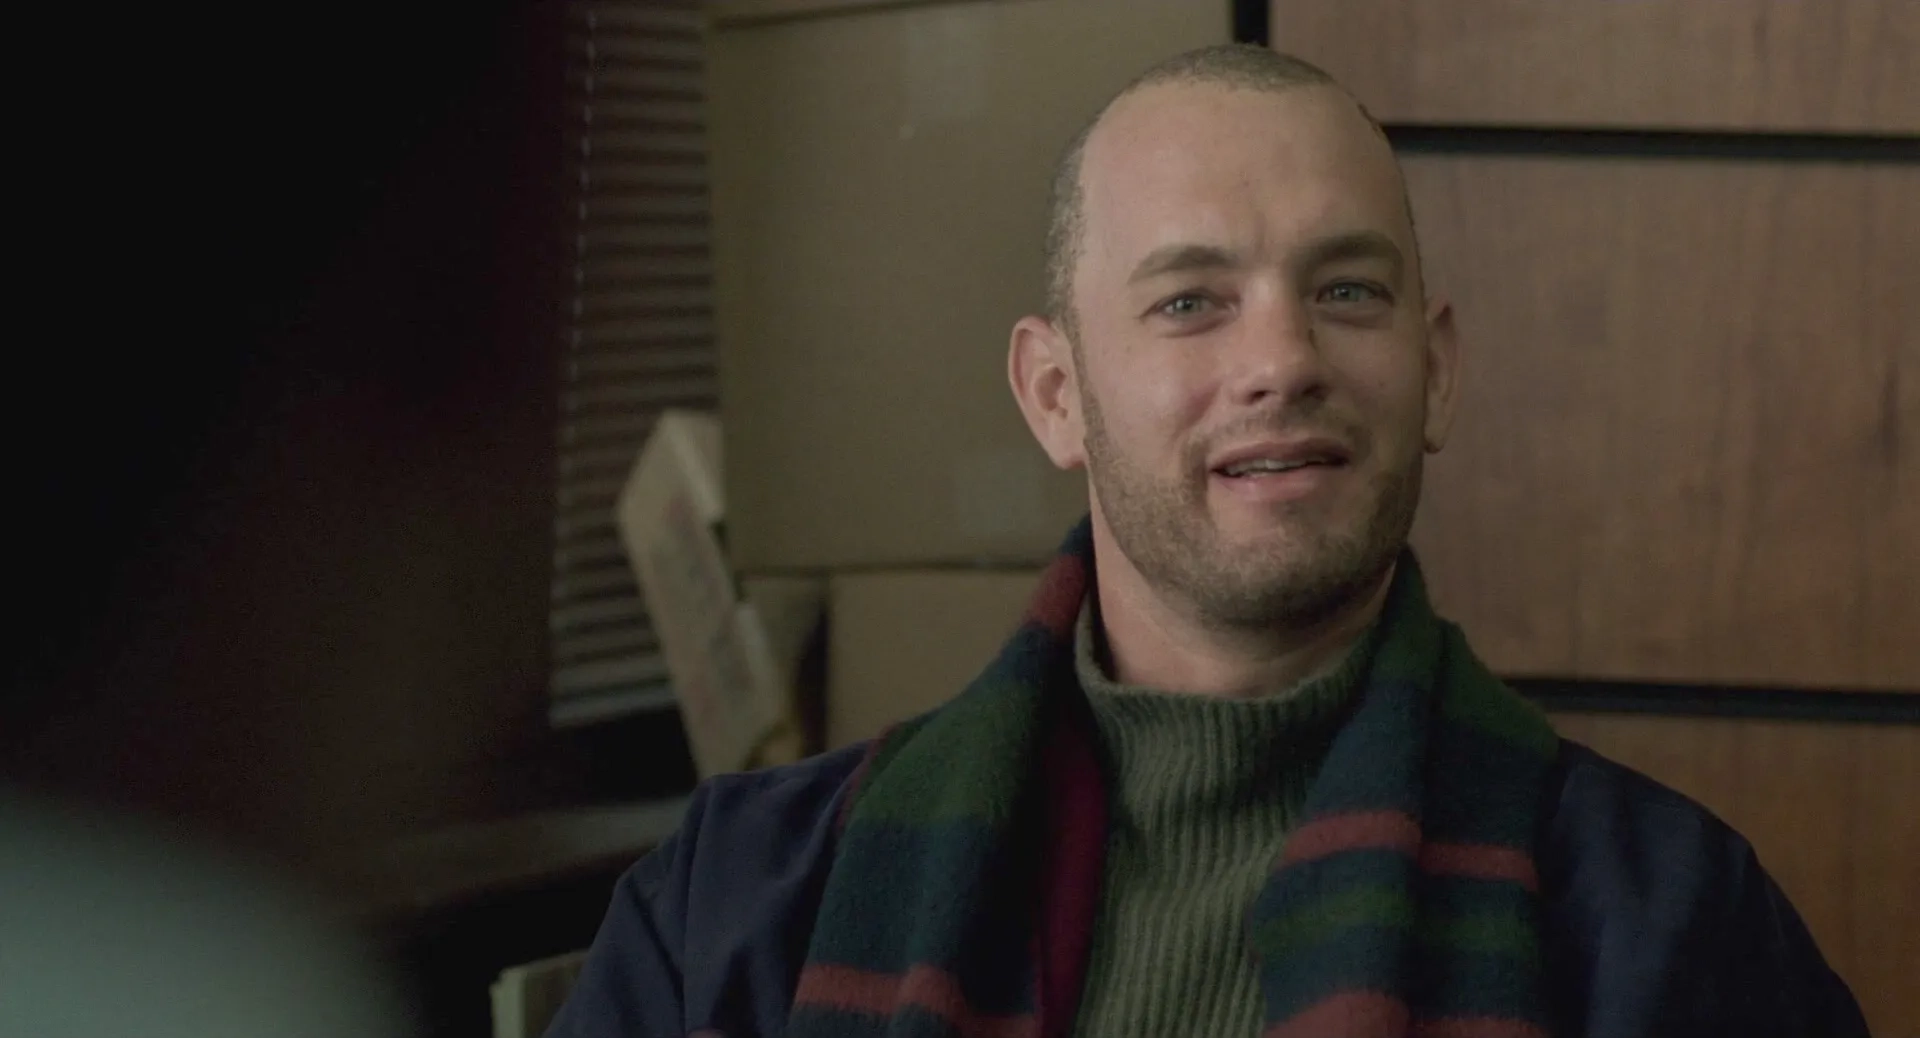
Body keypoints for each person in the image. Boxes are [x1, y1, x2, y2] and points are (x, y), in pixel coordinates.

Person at [545, 45, 1868, 1038]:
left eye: (1346, 288)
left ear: (1438, 371)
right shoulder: (734, 907)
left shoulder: (1674, 925)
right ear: (1055, 395)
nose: (1283, 358)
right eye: (1190, 301)